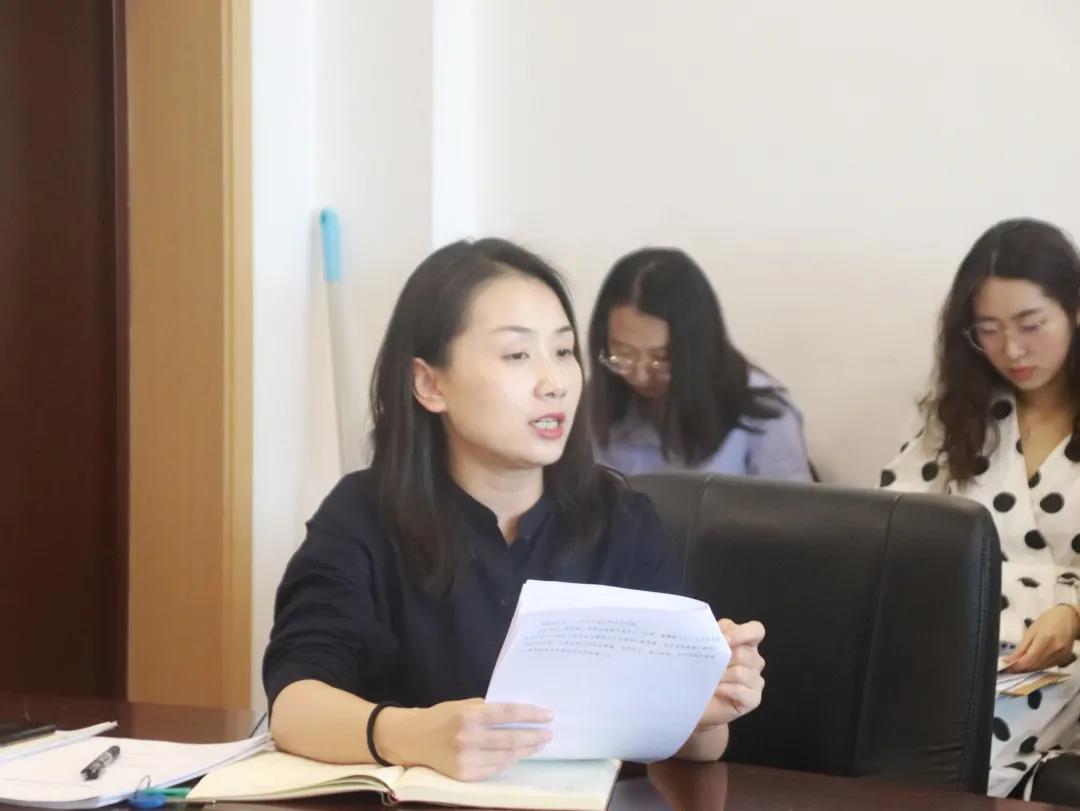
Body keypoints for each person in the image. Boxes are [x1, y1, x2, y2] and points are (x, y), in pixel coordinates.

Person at [264, 238, 766, 781]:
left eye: (564, 351)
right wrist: (414, 734)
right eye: (517, 355)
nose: (554, 383)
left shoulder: (622, 519)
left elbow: (697, 749)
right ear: (430, 384)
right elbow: (295, 706)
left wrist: (709, 701)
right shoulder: (362, 516)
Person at [880, 218, 1080, 798]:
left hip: (1065, 654)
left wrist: (1073, 613)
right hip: (964, 650)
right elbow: (891, 532)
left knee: (949, 751)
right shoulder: (957, 416)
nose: (1011, 350)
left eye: (1031, 325)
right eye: (988, 330)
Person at [587, 247, 812, 481]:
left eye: (661, 358)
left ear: (697, 348)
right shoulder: (595, 403)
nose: (640, 376)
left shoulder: (764, 414)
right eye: (624, 354)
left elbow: (792, 504)